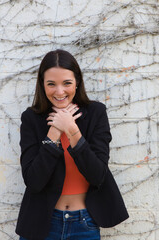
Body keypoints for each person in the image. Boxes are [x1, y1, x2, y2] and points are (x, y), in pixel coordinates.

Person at [16, 49, 128, 240]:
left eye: (67, 83)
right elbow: (33, 181)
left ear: (77, 83)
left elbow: (98, 174)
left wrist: (71, 129)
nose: (60, 92)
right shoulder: (31, 119)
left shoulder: (96, 113)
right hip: (42, 223)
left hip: (84, 224)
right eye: (51, 84)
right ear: (42, 85)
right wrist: (54, 133)